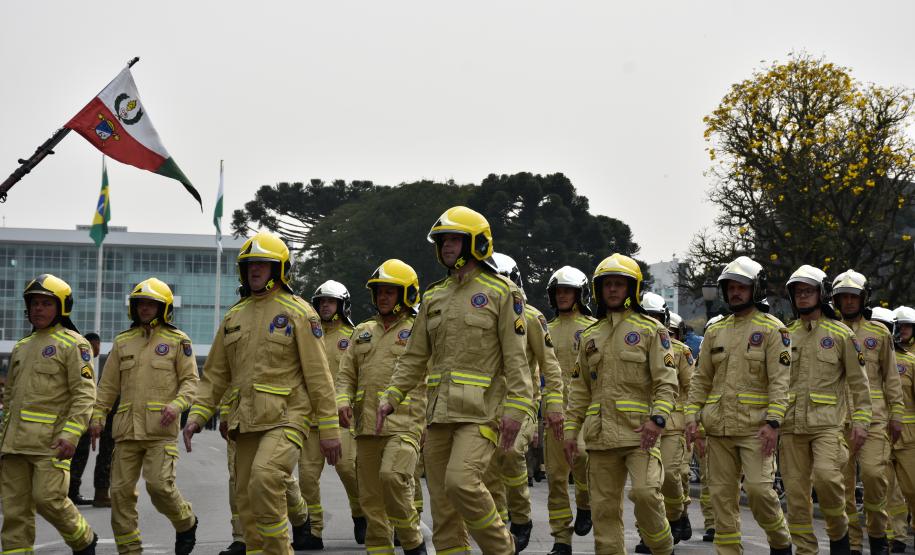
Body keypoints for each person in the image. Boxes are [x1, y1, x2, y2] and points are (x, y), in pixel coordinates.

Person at [376, 206, 533, 554]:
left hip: (481, 414)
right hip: (438, 416)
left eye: (454, 239)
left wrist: (517, 410)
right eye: (443, 240)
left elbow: (516, 359)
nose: (447, 246)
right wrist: (391, 396)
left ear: (476, 243)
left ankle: (500, 548)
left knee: (461, 483)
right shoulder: (434, 296)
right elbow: (414, 357)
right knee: (443, 504)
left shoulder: (503, 293)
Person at [183, 230, 342, 554]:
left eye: (263, 265)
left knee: (265, 478)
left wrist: (329, 429)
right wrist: (197, 416)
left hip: (288, 417)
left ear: (279, 269)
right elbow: (215, 374)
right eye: (250, 265)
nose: (255, 270)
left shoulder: (299, 312)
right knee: (246, 499)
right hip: (246, 420)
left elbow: (318, 375)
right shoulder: (233, 317)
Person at [563, 254, 677, 554]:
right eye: (607, 285)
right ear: (599, 290)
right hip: (599, 437)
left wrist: (659, 419)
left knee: (645, 494)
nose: (613, 290)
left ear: (632, 289)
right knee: (603, 512)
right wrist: (571, 432)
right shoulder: (589, 336)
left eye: (619, 284)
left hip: (640, 433)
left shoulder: (652, 331)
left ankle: (664, 546)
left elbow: (667, 382)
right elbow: (579, 391)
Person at [685, 256, 792, 554]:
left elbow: (781, 382)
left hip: (756, 429)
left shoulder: (775, 330)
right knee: (721, 498)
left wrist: (774, 422)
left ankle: (780, 541)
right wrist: (691, 415)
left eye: (741, 287)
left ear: (755, 288)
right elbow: (701, 379)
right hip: (718, 429)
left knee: (759, 491)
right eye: (730, 287)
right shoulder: (716, 331)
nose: (735, 292)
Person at [90, 278, 199, 554]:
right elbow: (107, 385)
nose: (145, 308)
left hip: (160, 431)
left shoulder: (178, 341)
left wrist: (177, 405)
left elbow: (191, 382)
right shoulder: (123, 341)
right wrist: (97, 416)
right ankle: (130, 550)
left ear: (164, 308)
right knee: (120, 495)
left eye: (152, 304)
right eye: (141, 303)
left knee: (159, 487)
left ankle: (185, 522)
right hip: (126, 431)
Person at [0, 274, 99, 554]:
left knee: (49, 500)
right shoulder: (21, 347)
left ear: (61, 307)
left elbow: (84, 394)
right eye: (33, 304)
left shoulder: (75, 345)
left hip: (51, 444)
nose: (38, 309)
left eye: (45, 303)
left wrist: (71, 434)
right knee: (14, 513)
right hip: (14, 446)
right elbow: (9, 400)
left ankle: (84, 540)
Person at [779, 265, 871, 555]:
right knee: (795, 495)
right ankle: (806, 549)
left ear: (821, 294)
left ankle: (839, 532)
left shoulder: (842, 334)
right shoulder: (784, 334)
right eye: (798, 292)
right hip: (791, 426)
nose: (803, 296)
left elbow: (859, 383)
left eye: (808, 291)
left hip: (828, 426)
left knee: (828, 480)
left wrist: (861, 422)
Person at [337, 259, 427, 555]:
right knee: (371, 503)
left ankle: (413, 543)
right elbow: (346, 375)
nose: (383, 297)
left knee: (393, 479)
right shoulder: (362, 331)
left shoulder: (419, 330)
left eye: (391, 291)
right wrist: (341, 401)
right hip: (365, 428)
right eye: (379, 292)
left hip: (405, 424)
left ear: (406, 295)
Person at [483, 252, 565, 552]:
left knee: (510, 452)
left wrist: (554, 406)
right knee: (488, 467)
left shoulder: (531, 317)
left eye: (505, 279)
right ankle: (501, 525)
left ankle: (521, 517)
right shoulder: (481, 314)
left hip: (523, 403)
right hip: (486, 404)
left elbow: (550, 365)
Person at [833, 269, 906, 555]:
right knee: (842, 485)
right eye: (843, 297)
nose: (849, 302)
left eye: (854, 297)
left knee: (875, 476)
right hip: (838, 420)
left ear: (864, 298)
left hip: (875, 419)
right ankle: (852, 542)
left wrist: (897, 413)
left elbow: (891, 377)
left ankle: (877, 532)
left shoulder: (879, 333)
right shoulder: (829, 331)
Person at [296, 280, 364, 549]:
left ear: (342, 305)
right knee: (307, 477)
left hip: (342, 420)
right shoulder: (308, 334)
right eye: (321, 301)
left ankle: (361, 514)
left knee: (349, 470)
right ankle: (312, 531)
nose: (324, 305)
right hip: (311, 420)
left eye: (330, 301)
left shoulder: (355, 335)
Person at [634, 294, 694, 552]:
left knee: (670, 475)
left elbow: (692, 388)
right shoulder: (631, 344)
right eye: (645, 316)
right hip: (640, 425)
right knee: (645, 486)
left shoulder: (681, 352)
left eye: (656, 317)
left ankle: (678, 512)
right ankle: (647, 535)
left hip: (671, 425)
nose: (651, 322)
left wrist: (694, 422)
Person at [544, 265, 595, 555]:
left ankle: (585, 503)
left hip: (582, 411)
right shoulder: (545, 329)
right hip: (553, 411)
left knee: (583, 457)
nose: (562, 296)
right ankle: (561, 539)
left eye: (568, 291)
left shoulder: (591, 328)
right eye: (558, 291)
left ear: (580, 294)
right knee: (555, 478)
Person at [68, 332, 104, 506]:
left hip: (79, 418)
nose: (98, 349)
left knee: (76, 459)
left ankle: (71, 492)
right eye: (97, 345)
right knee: (77, 457)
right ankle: (71, 493)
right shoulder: (83, 361)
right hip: (78, 420)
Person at [890, 306, 915, 552]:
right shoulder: (882, 355)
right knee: (891, 492)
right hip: (883, 434)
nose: (903, 330)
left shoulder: (911, 360)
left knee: (912, 489)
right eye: (900, 326)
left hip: (910, 437)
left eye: (908, 326)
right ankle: (896, 537)